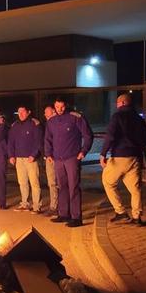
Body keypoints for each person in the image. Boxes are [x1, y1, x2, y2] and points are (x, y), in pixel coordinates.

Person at [100, 93, 146, 225]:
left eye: (117, 103)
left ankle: (121, 212)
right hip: (135, 157)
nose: (116, 105)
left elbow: (110, 136)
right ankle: (137, 216)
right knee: (135, 188)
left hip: (120, 156)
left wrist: (103, 153)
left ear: (122, 103)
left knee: (108, 182)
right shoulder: (139, 119)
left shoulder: (117, 116)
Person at [44, 98, 93, 228]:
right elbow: (48, 138)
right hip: (58, 159)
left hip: (72, 158)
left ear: (66, 106)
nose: (59, 109)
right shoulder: (52, 121)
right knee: (62, 187)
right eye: (57, 107)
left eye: (62, 107)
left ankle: (76, 217)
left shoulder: (75, 117)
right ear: (54, 106)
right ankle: (64, 214)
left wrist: (84, 151)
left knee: (74, 187)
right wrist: (48, 154)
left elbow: (88, 135)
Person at [8, 106, 43, 213]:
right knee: (22, 182)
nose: (21, 114)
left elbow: (38, 141)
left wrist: (34, 154)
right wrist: (11, 156)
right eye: (19, 112)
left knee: (34, 183)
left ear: (28, 112)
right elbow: (11, 142)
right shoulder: (15, 125)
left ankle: (37, 206)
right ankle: (25, 203)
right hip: (19, 158)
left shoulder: (34, 124)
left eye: (23, 112)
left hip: (30, 159)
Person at [42, 105, 60, 215]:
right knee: (52, 183)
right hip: (50, 157)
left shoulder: (56, 123)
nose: (44, 114)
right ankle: (54, 205)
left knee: (57, 183)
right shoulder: (49, 124)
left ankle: (57, 206)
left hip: (57, 157)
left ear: (53, 111)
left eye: (46, 112)